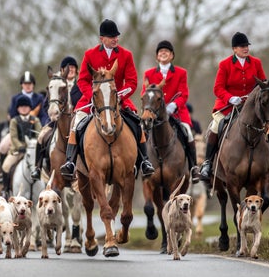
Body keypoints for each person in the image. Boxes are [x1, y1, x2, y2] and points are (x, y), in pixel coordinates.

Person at [59, 19, 155, 179]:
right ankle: (70, 162)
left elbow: (132, 82)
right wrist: (93, 97)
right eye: (111, 37)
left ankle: (144, 161)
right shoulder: (90, 54)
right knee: (76, 123)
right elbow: (82, 80)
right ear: (102, 38)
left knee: (137, 122)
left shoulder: (126, 55)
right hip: (93, 100)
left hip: (118, 100)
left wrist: (119, 95)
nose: (115, 39)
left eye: (116, 36)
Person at [199, 32, 269, 181]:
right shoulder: (225, 64)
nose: (245, 48)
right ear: (234, 49)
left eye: (247, 46)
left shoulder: (256, 63)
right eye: (242, 46)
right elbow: (218, 88)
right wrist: (231, 98)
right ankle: (207, 163)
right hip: (228, 106)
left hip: (252, 106)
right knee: (216, 126)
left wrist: (260, 95)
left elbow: (263, 85)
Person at [141, 40, 200, 183]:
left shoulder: (181, 72)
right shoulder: (148, 73)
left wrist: (174, 105)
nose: (163, 53)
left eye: (166, 51)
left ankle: (193, 167)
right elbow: (144, 93)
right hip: (154, 114)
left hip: (177, 112)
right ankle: (142, 164)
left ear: (172, 55)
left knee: (188, 133)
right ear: (156, 56)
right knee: (141, 132)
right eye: (160, 51)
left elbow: (184, 94)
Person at [31, 55, 79, 180]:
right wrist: (52, 113)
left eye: (74, 67)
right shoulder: (55, 84)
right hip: (56, 121)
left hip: (77, 120)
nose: (72, 69)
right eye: (69, 67)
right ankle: (37, 167)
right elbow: (46, 104)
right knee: (41, 136)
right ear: (63, 70)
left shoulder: (80, 85)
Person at [1, 94, 41, 194]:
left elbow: (39, 134)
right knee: (5, 166)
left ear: (30, 107)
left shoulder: (35, 120)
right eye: (21, 106)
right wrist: (21, 146)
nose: (23, 108)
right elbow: (13, 137)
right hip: (18, 150)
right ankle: (5, 189)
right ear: (18, 108)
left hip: (32, 150)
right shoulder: (14, 121)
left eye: (26, 106)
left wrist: (32, 145)